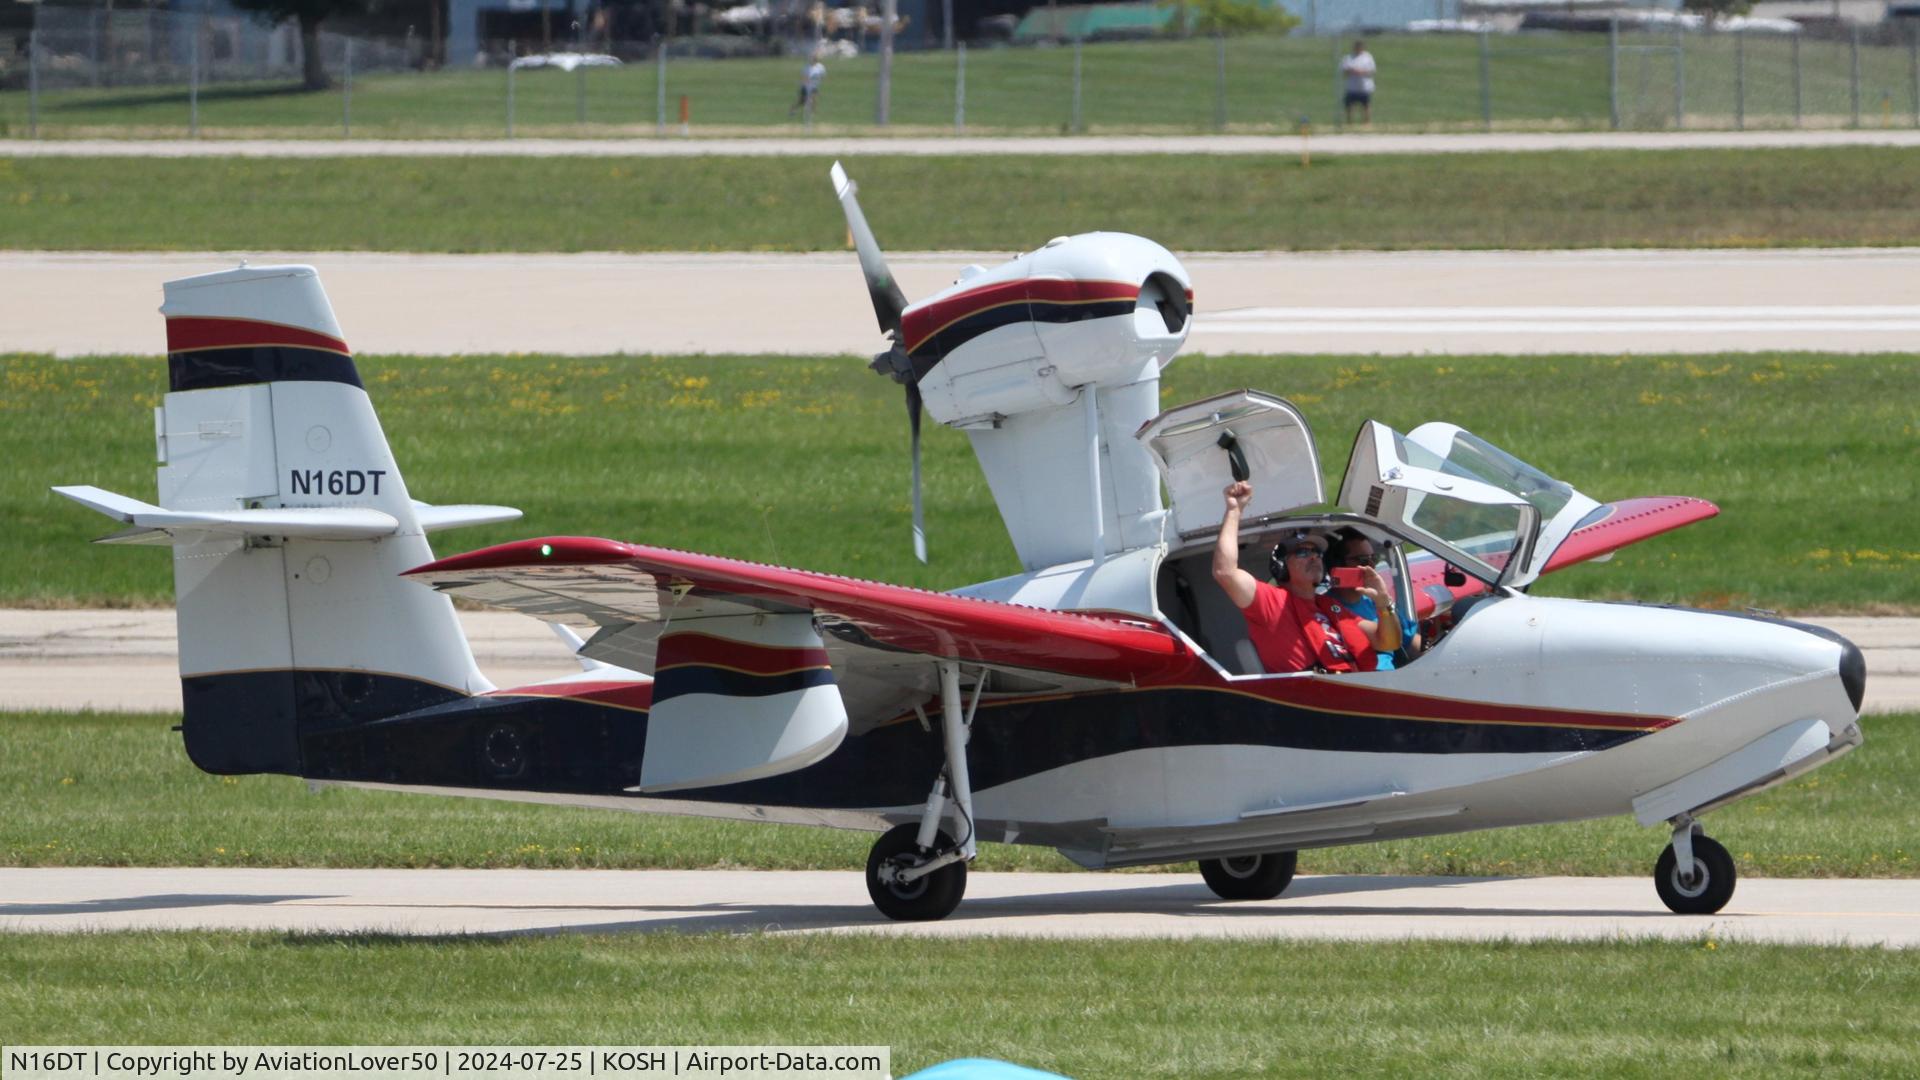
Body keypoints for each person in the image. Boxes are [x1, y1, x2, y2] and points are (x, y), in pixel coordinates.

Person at [1212, 481, 1399, 674]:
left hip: (1357, 691)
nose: (1314, 557)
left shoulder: (1332, 608)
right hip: (1313, 698)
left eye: (1317, 553)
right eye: (1302, 552)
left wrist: (1383, 603)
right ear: (1281, 566)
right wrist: (1234, 511)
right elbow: (1225, 572)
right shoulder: (1271, 603)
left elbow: (1389, 642)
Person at [1327, 529, 1420, 670]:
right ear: (1337, 564)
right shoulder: (1327, 607)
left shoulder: (1375, 600)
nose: (1372, 566)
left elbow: (1410, 643)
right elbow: (1388, 642)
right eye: (1363, 560)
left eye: (1374, 559)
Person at [1339, 40, 1376, 125]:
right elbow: (1344, 69)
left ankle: (1367, 123)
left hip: (1364, 87)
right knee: (1349, 106)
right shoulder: (1348, 57)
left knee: (1366, 105)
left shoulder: (1367, 57)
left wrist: (1361, 72)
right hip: (1352, 87)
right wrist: (1353, 71)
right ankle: (1349, 123)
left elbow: (1372, 70)